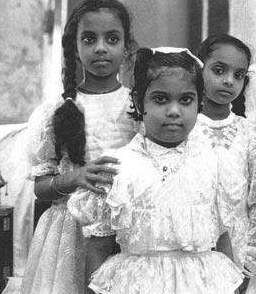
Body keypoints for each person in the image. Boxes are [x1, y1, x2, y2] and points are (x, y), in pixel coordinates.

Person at [68, 47, 243, 294]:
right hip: (137, 285)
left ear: (199, 103)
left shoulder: (213, 163)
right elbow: (99, 246)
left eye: (185, 100)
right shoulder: (118, 167)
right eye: (161, 99)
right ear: (140, 103)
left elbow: (222, 237)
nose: (174, 111)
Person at [19, 0, 138, 294]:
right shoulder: (57, 111)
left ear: (126, 47)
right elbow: (40, 186)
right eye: (89, 39)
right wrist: (75, 177)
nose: (100, 47)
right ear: (76, 46)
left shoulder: (138, 107)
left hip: (128, 229)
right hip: (71, 231)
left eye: (112, 38)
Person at [196, 34, 256, 294]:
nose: (228, 81)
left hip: (240, 247)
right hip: (195, 247)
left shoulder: (250, 132)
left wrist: (250, 262)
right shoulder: (183, 129)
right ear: (200, 70)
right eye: (219, 70)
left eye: (238, 75)